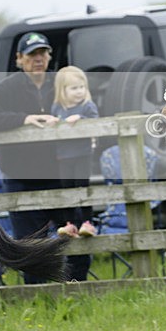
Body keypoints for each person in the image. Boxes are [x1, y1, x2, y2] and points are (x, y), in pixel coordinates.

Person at [0, 32, 91, 282]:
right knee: (30, 246)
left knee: (75, 237)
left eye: (43, 53)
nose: (38, 59)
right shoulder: (9, 87)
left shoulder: (57, 84)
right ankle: (37, 296)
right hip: (21, 177)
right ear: (19, 58)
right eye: (32, 54)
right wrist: (24, 119)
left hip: (59, 175)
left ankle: (77, 290)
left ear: (49, 56)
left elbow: (85, 107)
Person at [51, 66, 99, 238]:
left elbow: (96, 121)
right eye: (74, 88)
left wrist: (81, 119)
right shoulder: (58, 107)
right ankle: (69, 224)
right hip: (63, 155)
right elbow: (54, 123)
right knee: (67, 188)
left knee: (82, 186)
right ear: (63, 90)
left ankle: (88, 223)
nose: (79, 92)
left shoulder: (87, 106)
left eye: (82, 87)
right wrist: (54, 123)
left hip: (82, 154)